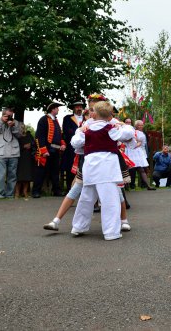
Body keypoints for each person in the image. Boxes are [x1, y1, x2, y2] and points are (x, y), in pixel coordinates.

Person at [70, 100, 135, 240]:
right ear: (109, 115)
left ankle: (78, 227)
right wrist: (122, 124)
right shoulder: (111, 129)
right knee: (110, 200)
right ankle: (111, 232)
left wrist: (79, 131)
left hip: (90, 168)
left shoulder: (86, 129)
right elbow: (128, 134)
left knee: (86, 198)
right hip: (106, 169)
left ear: (95, 114)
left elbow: (75, 142)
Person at [32, 102, 66, 198]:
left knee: (55, 172)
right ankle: (36, 191)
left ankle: (56, 191)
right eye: (57, 108)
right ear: (52, 109)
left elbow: (59, 135)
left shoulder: (56, 121)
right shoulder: (43, 120)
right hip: (46, 150)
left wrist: (62, 144)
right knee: (40, 172)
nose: (58, 110)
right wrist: (43, 150)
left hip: (55, 150)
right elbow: (39, 136)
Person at [0, 107, 22, 198]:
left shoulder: (16, 123)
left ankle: (9, 194)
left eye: (11, 115)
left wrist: (13, 126)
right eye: (7, 115)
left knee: (12, 175)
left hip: (13, 152)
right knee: (1, 174)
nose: (9, 117)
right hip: (0, 153)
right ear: (3, 114)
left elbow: (20, 135)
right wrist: (1, 122)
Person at [61, 100, 85, 191]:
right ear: (73, 108)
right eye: (77, 107)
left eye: (80, 107)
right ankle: (69, 189)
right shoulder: (67, 118)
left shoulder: (86, 118)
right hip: (71, 148)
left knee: (83, 167)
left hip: (84, 147)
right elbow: (67, 131)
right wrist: (79, 131)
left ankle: (83, 189)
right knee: (71, 168)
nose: (79, 108)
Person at [126, 120, 156, 190]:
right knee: (129, 169)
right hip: (130, 152)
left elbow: (140, 143)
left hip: (137, 152)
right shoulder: (131, 132)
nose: (141, 126)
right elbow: (126, 140)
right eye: (139, 125)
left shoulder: (141, 134)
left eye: (142, 125)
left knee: (141, 169)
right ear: (136, 126)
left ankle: (148, 185)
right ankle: (128, 186)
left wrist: (134, 143)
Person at [15, 126, 35, 198]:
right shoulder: (16, 137)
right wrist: (23, 146)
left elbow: (35, 143)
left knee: (27, 175)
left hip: (28, 158)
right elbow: (14, 146)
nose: (22, 129)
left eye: (23, 127)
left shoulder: (29, 135)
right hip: (19, 157)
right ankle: (17, 193)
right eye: (20, 128)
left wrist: (31, 145)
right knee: (18, 176)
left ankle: (25, 192)